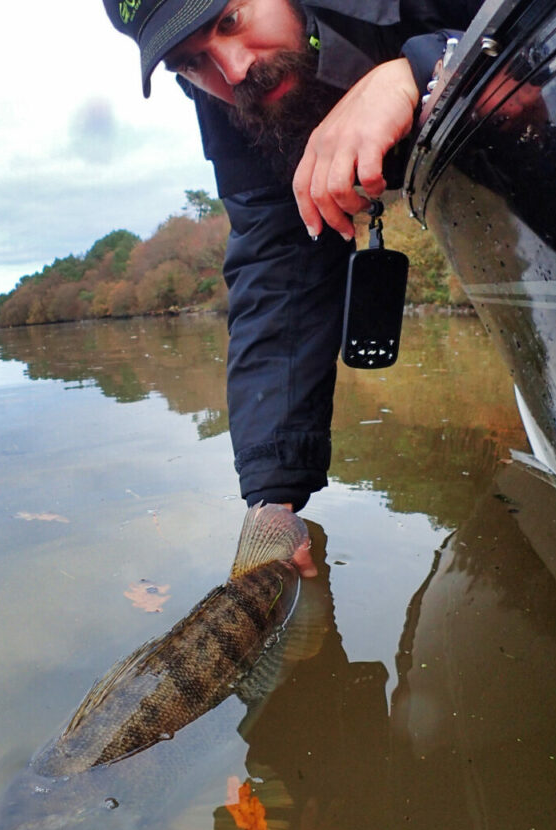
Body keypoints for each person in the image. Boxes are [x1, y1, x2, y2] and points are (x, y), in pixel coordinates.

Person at [102, 0, 479, 569]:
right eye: (191, 62)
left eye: (229, 21)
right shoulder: (231, 102)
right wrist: (271, 500)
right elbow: (276, 262)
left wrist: (425, 71)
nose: (231, 71)